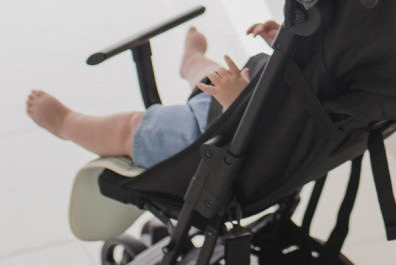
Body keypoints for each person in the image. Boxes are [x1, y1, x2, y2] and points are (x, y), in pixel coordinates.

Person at [26, 20, 281, 169]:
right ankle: (192, 60)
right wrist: (279, 39)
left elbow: (262, 130)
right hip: (243, 95)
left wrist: (237, 101)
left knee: (130, 128)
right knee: (211, 74)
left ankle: (66, 123)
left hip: (218, 138)